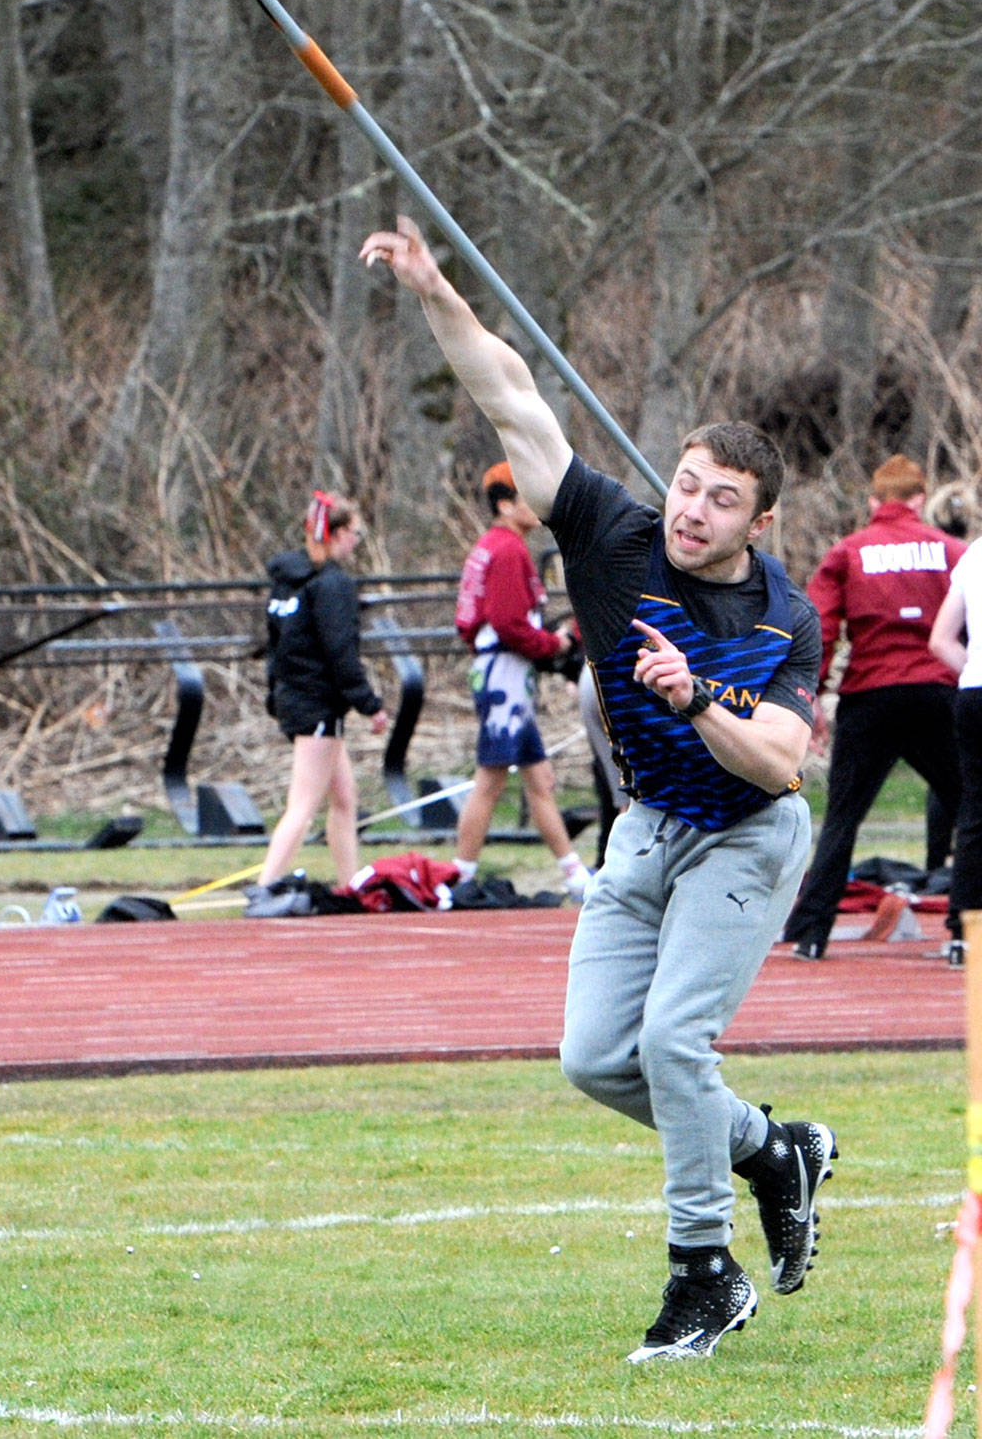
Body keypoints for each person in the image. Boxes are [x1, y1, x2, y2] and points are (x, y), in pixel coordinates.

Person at [360, 215, 834, 1364]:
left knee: (672, 1044)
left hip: (742, 838)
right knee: (594, 1060)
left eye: (719, 500)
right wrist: (434, 293)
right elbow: (511, 393)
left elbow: (777, 762)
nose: (688, 510)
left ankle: (702, 1276)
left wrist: (690, 700)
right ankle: (769, 1151)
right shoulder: (610, 532)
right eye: (683, 484)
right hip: (644, 835)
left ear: (757, 523)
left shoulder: (780, 617)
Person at [781, 456, 968, 962]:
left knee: (844, 814)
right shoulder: (953, 551)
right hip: (938, 692)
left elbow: (818, 625)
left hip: (872, 694)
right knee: (969, 809)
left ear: (872, 503)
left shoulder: (849, 552)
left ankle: (813, 930)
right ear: (918, 500)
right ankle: (964, 931)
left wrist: (811, 694)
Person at [455, 461, 593, 901]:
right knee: (491, 780)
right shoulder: (508, 550)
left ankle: (574, 875)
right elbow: (509, 622)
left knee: (539, 780)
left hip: (505, 675)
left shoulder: (491, 546)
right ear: (505, 503)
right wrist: (552, 643)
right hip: (505, 677)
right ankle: (459, 875)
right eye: (526, 495)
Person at [246, 492, 388, 918]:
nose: (356, 543)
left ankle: (351, 885)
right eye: (356, 535)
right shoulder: (332, 586)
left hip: (295, 699)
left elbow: (276, 648)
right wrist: (370, 704)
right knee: (303, 806)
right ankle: (264, 887)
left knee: (345, 798)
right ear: (339, 534)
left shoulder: (287, 581)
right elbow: (339, 652)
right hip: (316, 706)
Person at [928, 530, 982, 966]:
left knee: (975, 817)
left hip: (974, 693)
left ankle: (962, 934)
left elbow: (940, 640)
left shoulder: (974, 554)